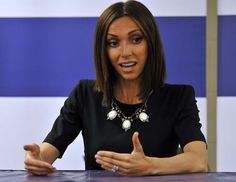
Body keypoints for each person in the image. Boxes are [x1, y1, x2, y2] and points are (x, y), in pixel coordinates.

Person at [23, 0, 208, 176]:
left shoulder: (179, 97)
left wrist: (148, 166)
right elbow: (48, 152)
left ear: (151, 44)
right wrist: (37, 158)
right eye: (113, 43)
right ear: (103, 50)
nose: (125, 52)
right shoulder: (85, 94)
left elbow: (199, 160)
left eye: (136, 39)